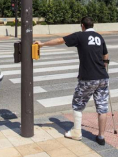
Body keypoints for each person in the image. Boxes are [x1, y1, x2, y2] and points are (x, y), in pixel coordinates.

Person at [35, 16, 109, 145]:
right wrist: (104, 69)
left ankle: (76, 132)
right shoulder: (99, 37)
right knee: (102, 107)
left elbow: (60, 40)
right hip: (102, 77)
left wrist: (42, 44)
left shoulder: (80, 36)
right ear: (93, 25)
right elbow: (106, 55)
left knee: (77, 103)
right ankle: (101, 137)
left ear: (82, 26)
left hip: (88, 78)